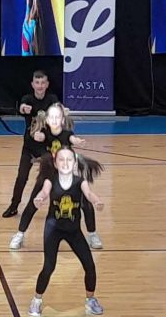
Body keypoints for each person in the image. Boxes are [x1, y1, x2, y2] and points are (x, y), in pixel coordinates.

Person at [10, 103, 103, 250]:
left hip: (66, 173)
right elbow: (39, 137)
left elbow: (72, 138)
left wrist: (77, 141)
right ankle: (19, 235)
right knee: (34, 202)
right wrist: (38, 136)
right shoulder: (44, 132)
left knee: (85, 203)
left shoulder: (66, 133)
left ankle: (92, 235)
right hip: (48, 172)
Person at [28, 147, 106, 317]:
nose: (65, 163)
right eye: (61, 159)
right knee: (49, 266)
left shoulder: (80, 181)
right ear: (56, 164)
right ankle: (36, 300)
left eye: (69, 159)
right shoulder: (50, 180)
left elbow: (89, 193)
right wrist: (39, 198)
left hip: (73, 231)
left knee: (90, 266)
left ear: (74, 163)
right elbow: (44, 191)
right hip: (53, 230)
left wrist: (97, 201)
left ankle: (90, 300)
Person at [3, 70, 60, 219]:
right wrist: (23, 108)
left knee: (48, 178)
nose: (40, 86)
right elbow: (22, 107)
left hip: (46, 148)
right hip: (29, 147)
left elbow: (58, 118)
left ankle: (54, 208)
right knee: (21, 177)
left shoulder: (52, 99)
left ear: (47, 84)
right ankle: (14, 206)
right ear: (32, 84)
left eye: (42, 83)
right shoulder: (28, 99)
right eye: (37, 83)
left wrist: (46, 134)